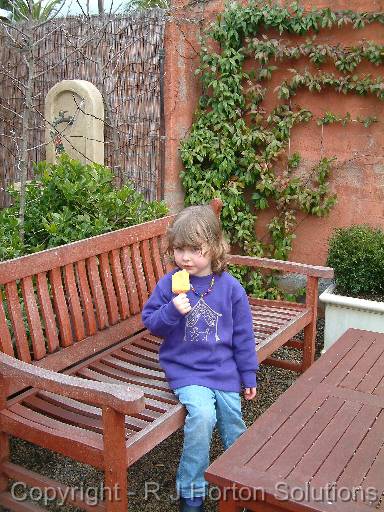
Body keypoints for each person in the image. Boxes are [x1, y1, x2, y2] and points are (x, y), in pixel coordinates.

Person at [142, 203, 258, 512]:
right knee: (203, 418)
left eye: (194, 249)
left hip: (223, 368)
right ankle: (191, 492)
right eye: (180, 249)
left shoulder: (231, 289)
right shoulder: (170, 285)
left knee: (234, 424)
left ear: (215, 247)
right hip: (186, 370)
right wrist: (171, 311)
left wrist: (248, 375)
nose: (186, 257)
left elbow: (244, 337)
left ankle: (240, 488)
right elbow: (151, 323)